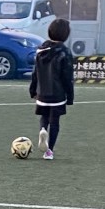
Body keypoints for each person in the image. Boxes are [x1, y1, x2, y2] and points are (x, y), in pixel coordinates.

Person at [29, 18, 74, 161]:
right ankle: (49, 151)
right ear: (65, 34)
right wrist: (70, 96)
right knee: (55, 122)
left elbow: (35, 72)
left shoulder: (41, 50)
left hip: (42, 93)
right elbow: (67, 77)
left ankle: (43, 130)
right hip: (57, 95)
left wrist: (33, 90)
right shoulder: (65, 52)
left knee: (44, 117)